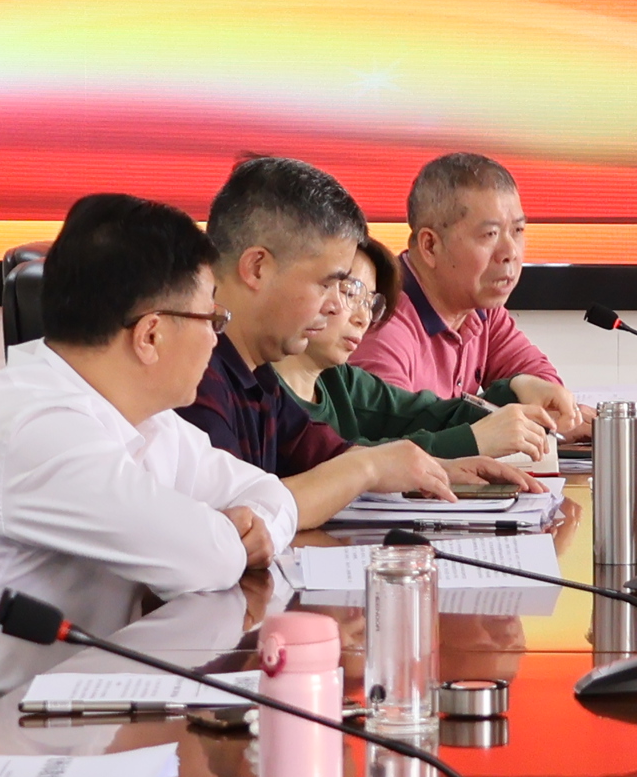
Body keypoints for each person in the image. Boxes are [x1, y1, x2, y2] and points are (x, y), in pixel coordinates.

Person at [0, 193, 299, 739]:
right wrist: (231, 536)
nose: (217, 336)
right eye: (212, 317)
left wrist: (251, 528)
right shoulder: (32, 424)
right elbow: (203, 557)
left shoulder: (144, 420)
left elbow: (271, 494)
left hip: (52, 715)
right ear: (151, 335)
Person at [178, 155, 544, 524]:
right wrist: (368, 468)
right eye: (328, 284)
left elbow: (329, 456)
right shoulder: (191, 373)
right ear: (257, 268)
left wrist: (438, 468)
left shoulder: (257, 376)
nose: (335, 306)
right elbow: (236, 519)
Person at [350, 151, 587, 432]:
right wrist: (508, 408)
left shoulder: (481, 308)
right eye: (490, 234)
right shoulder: (382, 321)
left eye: (518, 230)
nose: (510, 252)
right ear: (430, 246)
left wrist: (554, 409)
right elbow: (396, 439)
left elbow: (543, 388)